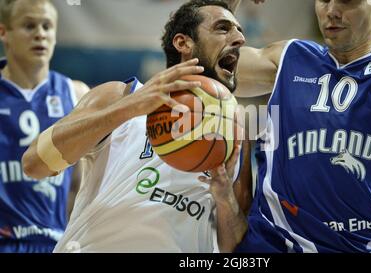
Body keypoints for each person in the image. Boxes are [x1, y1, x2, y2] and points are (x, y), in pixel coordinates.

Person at [22, 0, 252, 253]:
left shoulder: (237, 134)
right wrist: (128, 108)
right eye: (223, 28)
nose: (239, 38)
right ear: (183, 43)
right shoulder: (121, 95)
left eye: (240, 30)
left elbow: (235, 249)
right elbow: (35, 164)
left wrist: (224, 196)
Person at [224, 0, 371, 252]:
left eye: (346, 0)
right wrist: (227, 5)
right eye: (323, 0)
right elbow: (212, 64)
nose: (331, 11)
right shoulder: (290, 57)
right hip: (270, 245)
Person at [0, 0, 89, 253]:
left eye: (47, 26)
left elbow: (81, 183)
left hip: (55, 242)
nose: (40, 33)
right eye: (29, 26)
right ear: (4, 33)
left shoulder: (76, 93)